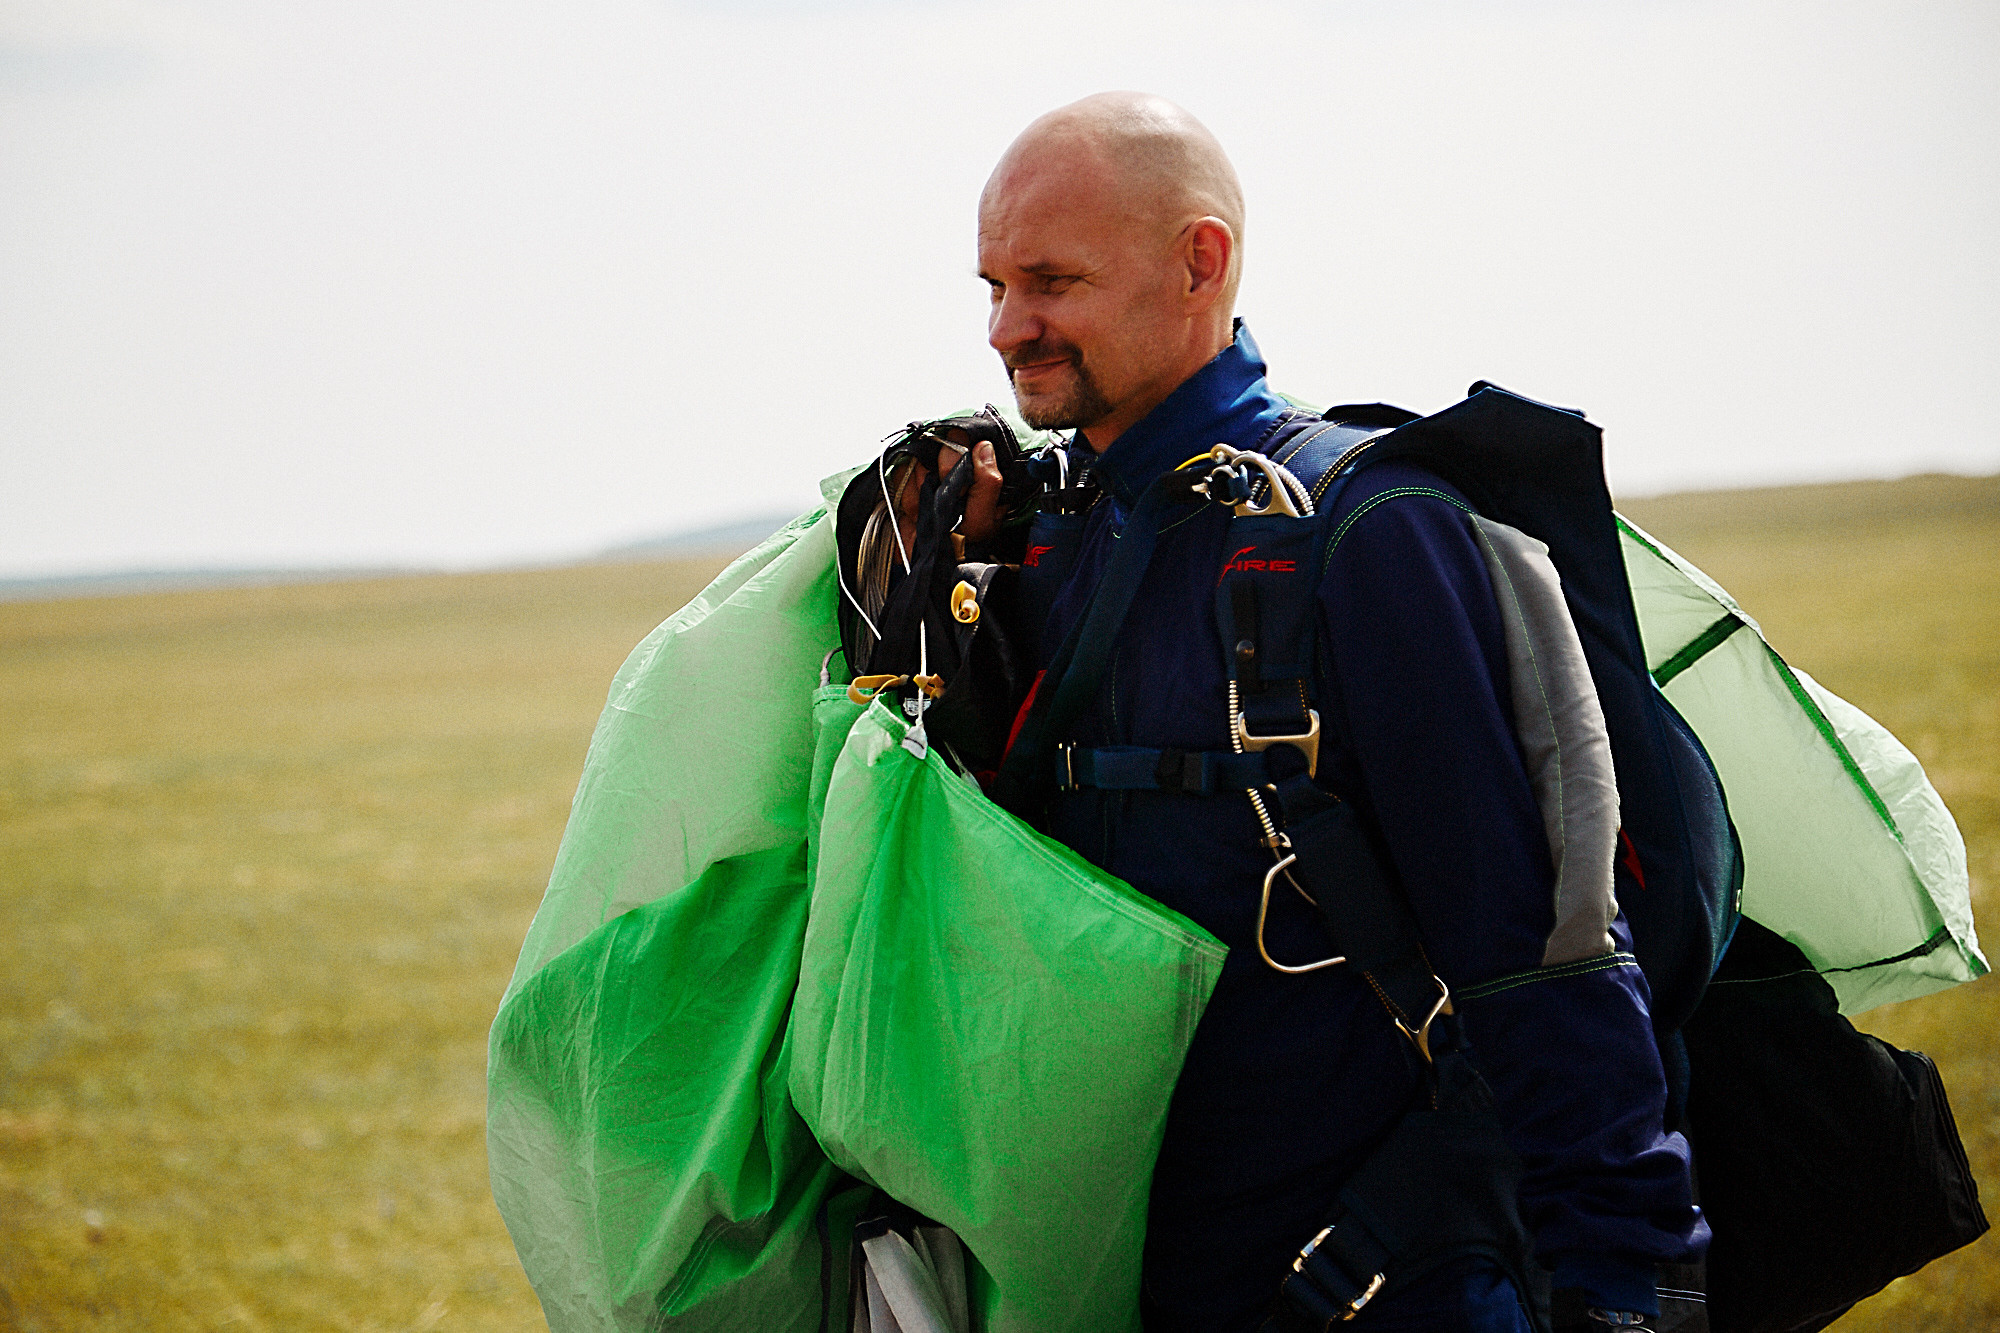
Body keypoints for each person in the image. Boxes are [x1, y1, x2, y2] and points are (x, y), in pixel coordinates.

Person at [915, 92, 1706, 1332]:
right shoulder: (1043, 542)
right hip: (1122, 1283)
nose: (1008, 328)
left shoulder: (1367, 538)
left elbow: (1536, 950)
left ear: (1199, 262)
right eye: (994, 286)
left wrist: (1626, 1284)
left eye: (1052, 282)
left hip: (1379, 1283)